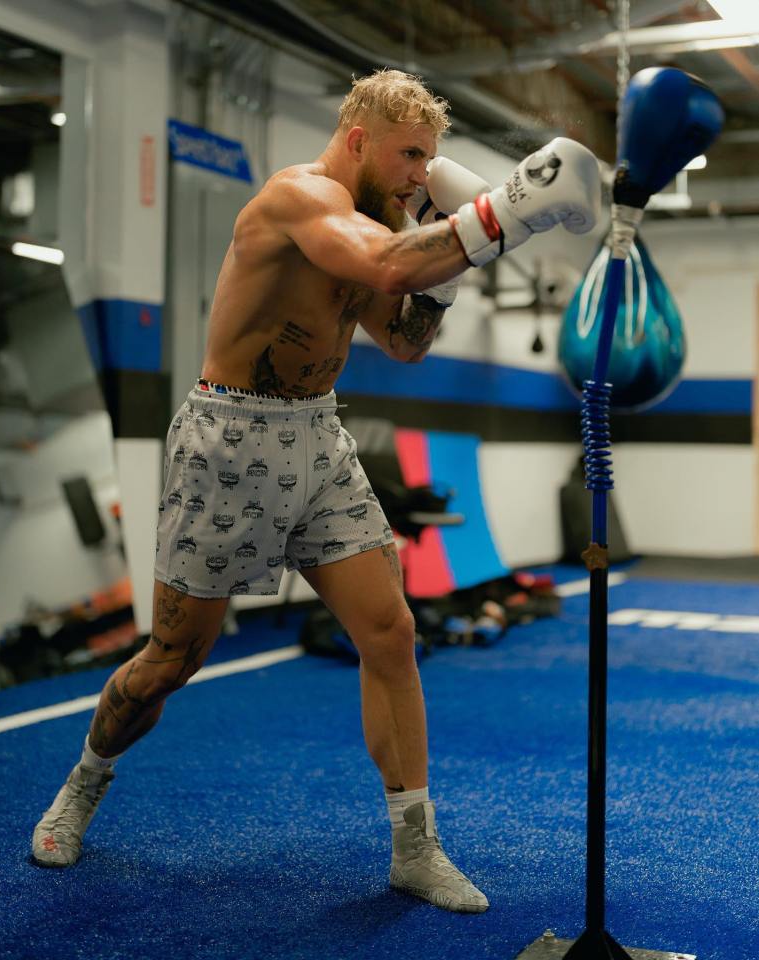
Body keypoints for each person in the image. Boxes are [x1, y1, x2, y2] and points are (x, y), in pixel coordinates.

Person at [32, 69, 600, 913]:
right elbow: (381, 263)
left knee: (391, 630)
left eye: (430, 159)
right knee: (172, 659)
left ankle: (415, 847)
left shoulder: (380, 222)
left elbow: (401, 337)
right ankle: (84, 781)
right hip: (227, 442)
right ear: (359, 137)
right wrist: (501, 211)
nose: (419, 173)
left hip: (317, 439)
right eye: (410, 155)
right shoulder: (295, 199)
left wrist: (455, 259)